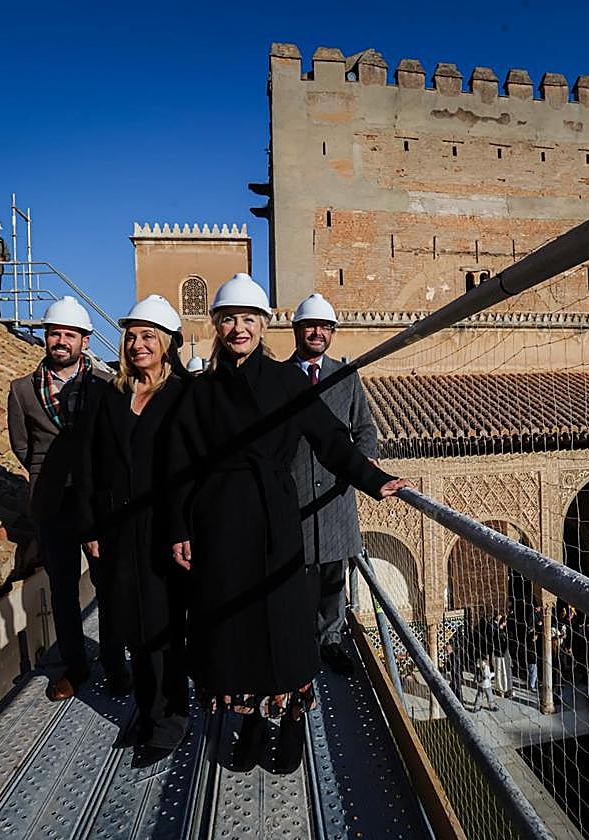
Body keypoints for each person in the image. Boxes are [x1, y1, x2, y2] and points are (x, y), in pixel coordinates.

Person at [167, 273, 409, 774]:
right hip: (219, 522)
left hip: (275, 517)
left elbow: (330, 439)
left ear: (264, 325)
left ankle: (292, 721)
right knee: (234, 627)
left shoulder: (287, 381)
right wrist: (179, 528)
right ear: (216, 325)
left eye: (249, 319)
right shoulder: (201, 391)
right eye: (230, 318)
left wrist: (372, 478)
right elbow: (179, 465)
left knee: (284, 623)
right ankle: (252, 723)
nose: (240, 328)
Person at [74, 295, 191, 754]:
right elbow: (88, 464)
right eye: (131, 336)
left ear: (166, 343)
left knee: (164, 629)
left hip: (166, 530)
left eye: (147, 336)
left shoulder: (184, 394)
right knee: (133, 628)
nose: (136, 344)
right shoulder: (111, 396)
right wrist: (91, 527)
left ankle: (169, 719)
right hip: (119, 531)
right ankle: (146, 710)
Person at [7, 296, 116, 701]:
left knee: (107, 584)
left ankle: (114, 660)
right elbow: (22, 445)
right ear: (45, 337)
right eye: (55, 333)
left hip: (96, 502)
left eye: (70, 335)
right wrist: (48, 475)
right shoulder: (21, 392)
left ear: (85, 341)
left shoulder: (105, 387)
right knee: (63, 591)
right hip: (51, 504)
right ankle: (76, 666)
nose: (61, 341)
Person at [287, 293, 378, 677]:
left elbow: (365, 427)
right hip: (296, 494)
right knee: (298, 574)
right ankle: (298, 644)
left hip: (336, 495)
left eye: (325, 327)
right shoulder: (280, 377)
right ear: (297, 330)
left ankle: (331, 641)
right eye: (311, 326)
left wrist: (365, 461)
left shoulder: (346, 375)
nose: (318, 333)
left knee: (333, 576)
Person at [493, 612, 512, 697]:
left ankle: (505, 688)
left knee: (504, 672)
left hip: (503, 655)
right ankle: (500, 689)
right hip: (500, 655)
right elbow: (499, 644)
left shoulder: (503, 632)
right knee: (501, 672)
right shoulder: (498, 632)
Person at [444, 640, 466, 705]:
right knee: (452, 688)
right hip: (455, 676)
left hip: (456, 676)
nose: (446, 652)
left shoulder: (454, 656)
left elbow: (453, 667)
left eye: (447, 650)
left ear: (451, 648)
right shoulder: (452, 655)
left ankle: (460, 703)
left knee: (457, 689)